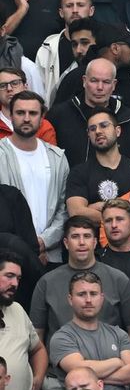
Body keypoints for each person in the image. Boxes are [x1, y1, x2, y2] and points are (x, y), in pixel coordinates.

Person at [30, 216, 130, 344]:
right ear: (66, 243)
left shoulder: (118, 279)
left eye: (87, 236)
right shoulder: (46, 282)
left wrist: (128, 361)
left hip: (111, 359)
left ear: (95, 242)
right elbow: (37, 334)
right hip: (60, 360)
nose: (81, 242)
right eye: (75, 236)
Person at [46, 270, 130, 390]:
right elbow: (79, 371)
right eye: (81, 294)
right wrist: (117, 362)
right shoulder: (62, 337)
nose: (88, 300)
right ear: (70, 299)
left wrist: (91, 378)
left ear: (102, 298)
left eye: (93, 294)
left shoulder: (118, 334)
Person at [0, 90, 67, 262]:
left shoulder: (57, 157)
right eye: (20, 112)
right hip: (8, 255)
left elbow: (63, 207)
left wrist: (44, 241)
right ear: (10, 114)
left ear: (42, 116)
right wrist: (27, 245)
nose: (27, 118)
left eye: (33, 113)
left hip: (50, 253)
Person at [0, 250, 46, 390]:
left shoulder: (18, 310)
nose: (15, 283)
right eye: (9, 276)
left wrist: (38, 378)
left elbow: (38, 349)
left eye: (18, 279)